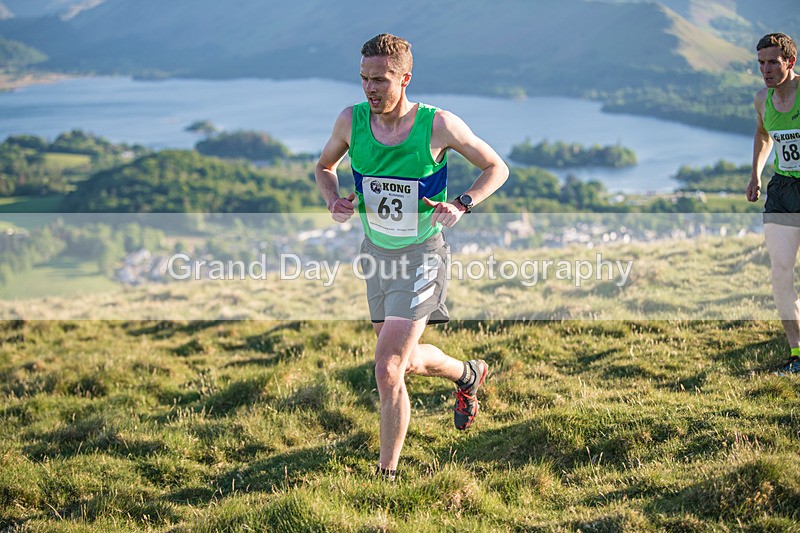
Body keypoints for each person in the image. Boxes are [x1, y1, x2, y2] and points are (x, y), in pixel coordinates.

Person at [315, 33, 509, 479]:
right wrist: (334, 200)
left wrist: (462, 203)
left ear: (405, 78)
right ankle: (467, 374)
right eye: (364, 79)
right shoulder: (351, 121)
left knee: (387, 368)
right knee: (408, 359)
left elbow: (496, 167)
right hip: (377, 256)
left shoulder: (437, 125)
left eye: (380, 80)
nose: (370, 89)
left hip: (423, 256)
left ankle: (386, 477)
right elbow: (325, 167)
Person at [747, 32, 800, 374]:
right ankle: (797, 353)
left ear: (790, 62)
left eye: (772, 63)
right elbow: (764, 134)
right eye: (760, 63)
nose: (765, 70)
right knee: (781, 273)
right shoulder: (761, 100)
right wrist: (755, 174)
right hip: (781, 189)